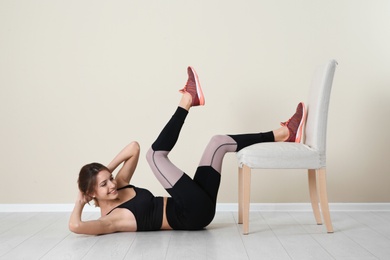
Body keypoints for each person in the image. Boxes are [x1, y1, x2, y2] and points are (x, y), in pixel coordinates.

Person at [69, 67, 306, 235]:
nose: (111, 184)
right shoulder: (111, 220)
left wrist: (103, 171)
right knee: (155, 155)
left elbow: (133, 147)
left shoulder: (119, 185)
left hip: (195, 205)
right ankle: (187, 99)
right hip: (191, 215)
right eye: (103, 185)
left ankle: (285, 134)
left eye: (109, 179)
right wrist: (81, 199)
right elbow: (76, 226)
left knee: (218, 142)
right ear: (91, 193)